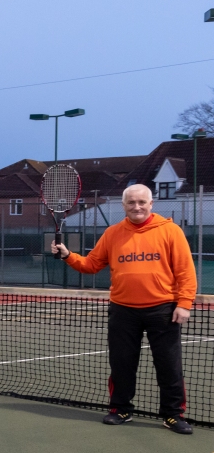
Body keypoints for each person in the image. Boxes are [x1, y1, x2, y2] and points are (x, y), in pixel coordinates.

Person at [53, 184, 195, 434]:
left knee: (169, 366)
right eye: (131, 203)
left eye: (142, 202)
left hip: (163, 310)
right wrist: (67, 255)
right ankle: (120, 409)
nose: (137, 207)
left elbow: (185, 271)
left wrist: (183, 304)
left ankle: (173, 415)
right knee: (121, 364)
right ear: (124, 206)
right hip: (122, 311)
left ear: (151, 204)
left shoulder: (170, 231)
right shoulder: (112, 233)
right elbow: (92, 264)